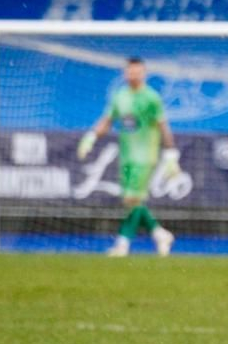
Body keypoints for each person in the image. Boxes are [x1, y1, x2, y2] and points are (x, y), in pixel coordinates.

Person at [76, 57, 180, 257]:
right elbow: (107, 120)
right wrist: (90, 137)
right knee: (132, 202)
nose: (133, 75)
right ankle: (160, 234)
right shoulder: (120, 96)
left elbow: (163, 127)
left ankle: (122, 244)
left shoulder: (151, 97)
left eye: (137, 71)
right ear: (125, 73)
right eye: (130, 71)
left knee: (133, 198)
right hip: (127, 157)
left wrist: (170, 155)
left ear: (144, 73)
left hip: (145, 156)